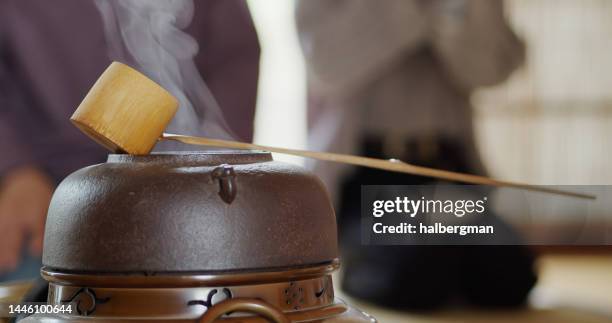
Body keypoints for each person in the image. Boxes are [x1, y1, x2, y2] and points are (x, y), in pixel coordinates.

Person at [296, 0, 537, 310]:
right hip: (367, 171)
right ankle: (389, 257)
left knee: (509, 277)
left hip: (447, 169)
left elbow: (490, 71)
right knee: (413, 271)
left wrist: (446, 12)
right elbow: (324, 65)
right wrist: (417, 10)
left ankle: (438, 257)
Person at [0, 0, 260, 280]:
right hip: (44, 186)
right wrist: (15, 166)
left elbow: (234, 55)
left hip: (173, 189)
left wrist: (208, 166)